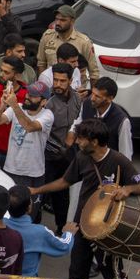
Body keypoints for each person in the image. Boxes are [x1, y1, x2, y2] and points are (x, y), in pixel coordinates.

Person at [30, 119, 140, 279]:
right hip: (82, 225)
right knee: (77, 270)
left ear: (94, 141)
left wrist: (128, 189)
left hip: (107, 231)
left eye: (82, 138)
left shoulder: (118, 160)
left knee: (114, 275)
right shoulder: (81, 158)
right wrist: (37, 191)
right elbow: (65, 182)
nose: (77, 141)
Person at [0, 80, 55, 213]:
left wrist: (14, 106)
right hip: (11, 169)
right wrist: (3, 105)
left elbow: (30, 126)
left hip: (32, 174)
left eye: (33, 95)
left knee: (28, 213)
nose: (27, 97)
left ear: (43, 102)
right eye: (28, 93)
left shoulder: (47, 115)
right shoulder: (17, 107)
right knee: (6, 211)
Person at [45, 64, 82, 234]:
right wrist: (61, 148)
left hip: (69, 156)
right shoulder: (49, 103)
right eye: (56, 80)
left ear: (70, 81)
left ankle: (62, 228)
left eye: (62, 81)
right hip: (50, 157)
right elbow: (44, 135)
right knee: (45, 192)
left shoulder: (77, 99)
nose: (58, 84)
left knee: (64, 195)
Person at [67, 77, 132, 159]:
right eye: (92, 93)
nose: (92, 98)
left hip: (106, 165)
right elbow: (79, 121)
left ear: (110, 99)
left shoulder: (122, 121)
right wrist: (72, 132)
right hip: (85, 160)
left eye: (97, 96)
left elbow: (125, 153)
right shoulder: (86, 104)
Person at [37, 5, 99, 85]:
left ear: (72, 21)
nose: (58, 23)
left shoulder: (84, 42)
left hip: (76, 89)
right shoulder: (48, 36)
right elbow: (41, 63)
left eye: (63, 20)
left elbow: (93, 72)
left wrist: (92, 95)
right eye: (56, 19)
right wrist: (43, 86)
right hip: (52, 87)